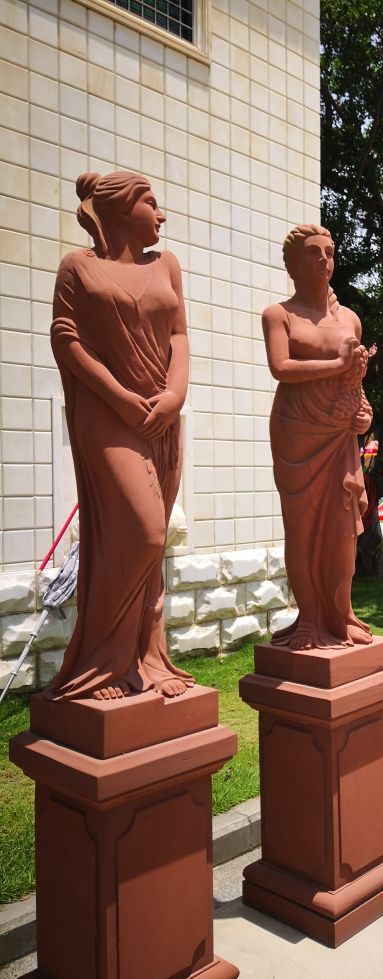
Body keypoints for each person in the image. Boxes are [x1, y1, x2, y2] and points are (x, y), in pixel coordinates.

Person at [44, 171, 194, 701]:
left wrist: (174, 396)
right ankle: (100, 664)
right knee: (143, 533)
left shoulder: (167, 265)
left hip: (161, 415)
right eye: (151, 202)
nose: (161, 214)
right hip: (108, 414)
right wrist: (120, 398)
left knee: (149, 548)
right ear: (121, 209)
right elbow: (67, 341)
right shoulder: (78, 267)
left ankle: (145, 659)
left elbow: (179, 336)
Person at [262, 224, 373, 650]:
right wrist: (337, 364)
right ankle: (309, 619)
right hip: (297, 432)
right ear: (292, 264)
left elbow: (355, 381)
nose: (324, 260)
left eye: (329, 251)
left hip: (339, 434)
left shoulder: (350, 319)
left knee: (343, 532)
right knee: (303, 530)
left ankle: (340, 615)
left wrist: (364, 414)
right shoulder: (279, 315)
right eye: (313, 252)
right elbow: (281, 368)